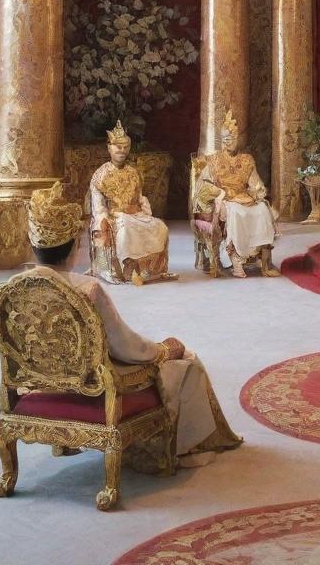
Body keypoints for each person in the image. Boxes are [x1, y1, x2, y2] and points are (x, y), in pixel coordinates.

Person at [24, 183, 241, 467]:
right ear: (76, 247)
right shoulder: (87, 289)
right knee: (187, 364)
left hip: (45, 381)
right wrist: (163, 350)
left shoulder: (9, 290)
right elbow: (125, 347)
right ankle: (181, 450)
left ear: (32, 245)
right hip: (97, 385)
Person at [193, 108, 279, 278]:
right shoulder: (214, 160)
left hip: (244, 196)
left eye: (232, 139)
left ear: (238, 139)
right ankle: (237, 259)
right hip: (225, 199)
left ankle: (264, 261)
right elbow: (202, 184)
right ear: (221, 141)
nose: (228, 143)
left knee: (262, 209)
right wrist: (218, 192)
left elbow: (254, 182)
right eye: (226, 140)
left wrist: (259, 190)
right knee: (237, 213)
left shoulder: (247, 160)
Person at [89, 120, 172, 285]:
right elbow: (98, 204)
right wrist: (103, 217)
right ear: (109, 148)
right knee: (126, 229)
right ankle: (128, 270)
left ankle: (151, 269)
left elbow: (139, 196)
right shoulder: (100, 175)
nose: (122, 150)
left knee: (160, 226)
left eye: (125, 146)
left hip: (136, 214)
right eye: (118, 146)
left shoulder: (133, 172)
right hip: (116, 216)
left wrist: (144, 206)